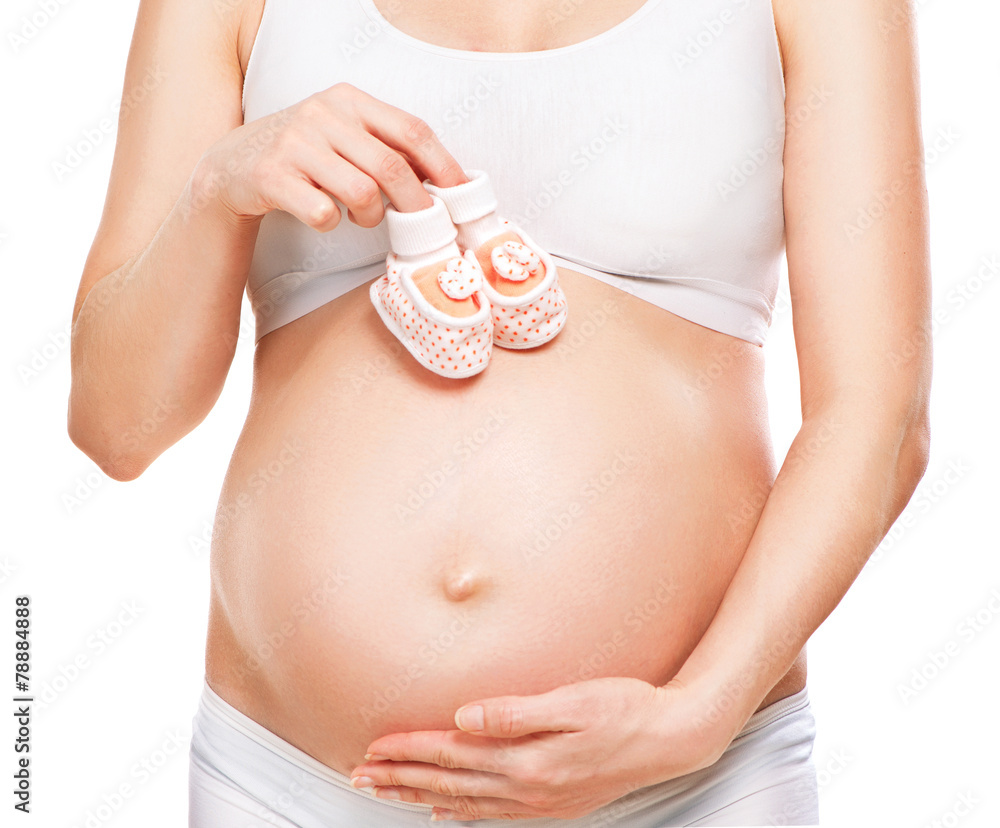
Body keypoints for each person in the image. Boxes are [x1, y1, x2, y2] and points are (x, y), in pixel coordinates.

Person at [67, 0, 932, 824]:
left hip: (692, 788)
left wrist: (698, 715)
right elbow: (117, 426)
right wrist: (217, 190)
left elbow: (878, 415)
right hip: (290, 785)